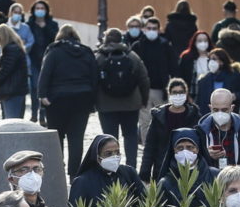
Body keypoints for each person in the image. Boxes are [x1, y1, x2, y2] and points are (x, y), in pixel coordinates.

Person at [37, 24, 98, 177]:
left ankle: (58, 171)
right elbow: (94, 77)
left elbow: (45, 74)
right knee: (76, 139)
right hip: (82, 99)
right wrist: (92, 100)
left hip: (57, 100)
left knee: (57, 138)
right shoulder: (86, 51)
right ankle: (74, 174)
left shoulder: (54, 51)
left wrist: (42, 96)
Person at [196, 88, 240, 202]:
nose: (220, 113)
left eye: (224, 110)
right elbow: (193, 165)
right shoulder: (200, 133)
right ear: (210, 108)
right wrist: (206, 154)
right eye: (216, 110)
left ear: (232, 108)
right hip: (210, 195)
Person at [95, 28, 149, 169]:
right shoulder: (132, 56)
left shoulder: (99, 57)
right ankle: (131, 167)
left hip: (106, 105)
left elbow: (92, 81)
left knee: (109, 138)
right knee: (130, 136)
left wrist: (93, 103)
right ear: (121, 39)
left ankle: (111, 167)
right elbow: (144, 79)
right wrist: (144, 100)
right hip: (131, 104)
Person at [140, 78, 201, 183]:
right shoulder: (159, 116)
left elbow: (200, 142)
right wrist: (145, 172)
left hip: (188, 168)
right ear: (169, 94)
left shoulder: (194, 115)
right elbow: (150, 146)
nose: (178, 95)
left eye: (181, 92)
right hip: (162, 168)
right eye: (175, 92)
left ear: (186, 94)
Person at [69, 134, 145, 207]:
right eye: (108, 154)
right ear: (98, 157)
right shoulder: (82, 182)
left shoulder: (129, 173)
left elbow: (145, 202)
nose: (114, 157)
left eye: (117, 152)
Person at [129, 16, 173, 144]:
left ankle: (162, 147)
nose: (151, 31)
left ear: (159, 30)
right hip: (143, 90)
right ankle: (147, 147)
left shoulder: (165, 45)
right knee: (145, 122)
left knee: (163, 121)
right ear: (144, 29)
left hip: (161, 90)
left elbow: (173, 66)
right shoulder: (137, 46)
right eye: (149, 28)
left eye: (154, 28)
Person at [158, 128, 220, 207]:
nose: (185, 151)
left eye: (190, 147)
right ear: (174, 150)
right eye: (180, 148)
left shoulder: (215, 175)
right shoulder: (166, 183)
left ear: (197, 149)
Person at [0, 23, 29, 120]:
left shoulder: (10, 49)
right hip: (15, 89)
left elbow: (5, 71)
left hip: (12, 91)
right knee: (14, 119)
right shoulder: (15, 48)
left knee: (11, 120)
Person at [27, 0, 58, 122]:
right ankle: (34, 113)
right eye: (37, 8)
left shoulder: (52, 24)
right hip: (33, 60)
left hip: (48, 60)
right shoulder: (29, 24)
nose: (40, 11)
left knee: (46, 87)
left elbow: (55, 39)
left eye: (42, 8)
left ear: (46, 10)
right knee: (35, 87)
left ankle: (43, 113)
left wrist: (45, 27)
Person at [194, 48, 240, 114]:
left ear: (222, 61)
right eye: (209, 59)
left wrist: (235, 96)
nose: (211, 62)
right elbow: (199, 102)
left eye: (214, 59)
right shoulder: (204, 80)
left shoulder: (235, 76)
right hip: (209, 114)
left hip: (229, 113)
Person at [176, 30, 212, 101]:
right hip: (192, 94)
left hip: (210, 93)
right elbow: (181, 77)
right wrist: (187, 95)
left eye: (205, 40)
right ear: (194, 42)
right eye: (200, 41)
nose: (203, 43)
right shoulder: (186, 57)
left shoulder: (213, 57)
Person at [164, 0, 198, 65]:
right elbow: (195, 38)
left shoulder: (171, 23)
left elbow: (167, 39)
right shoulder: (192, 24)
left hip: (175, 52)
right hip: (189, 52)